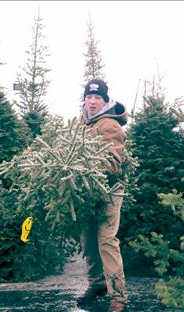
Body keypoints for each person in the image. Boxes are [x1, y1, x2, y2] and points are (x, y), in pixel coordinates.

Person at [78, 79, 128, 312]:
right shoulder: (83, 123)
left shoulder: (109, 124)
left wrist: (91, 170)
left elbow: (114, 161)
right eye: (89, 97)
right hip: (87, 190)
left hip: (108, 189)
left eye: (98, 98)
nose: (93, 101)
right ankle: (97, 284)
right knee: (87, 239)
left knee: (106, 239)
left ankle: (118, 296)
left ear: (105, 101)